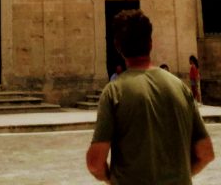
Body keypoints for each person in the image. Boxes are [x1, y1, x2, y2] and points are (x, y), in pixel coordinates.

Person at [87, 10, 214, 184]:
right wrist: (180, 176)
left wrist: (112, 179)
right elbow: (206, 153)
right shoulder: (180, 87)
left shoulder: (114, 92)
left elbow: (95, 163)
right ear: (151, 43)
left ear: (117, 46)